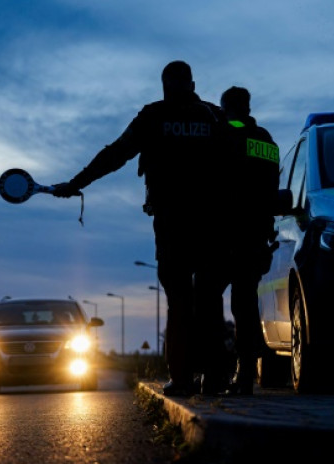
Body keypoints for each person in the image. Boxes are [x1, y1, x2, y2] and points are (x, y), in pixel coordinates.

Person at [51, 60, 233, 396]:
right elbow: (236, 166)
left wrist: (78, 182)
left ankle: (181, 379)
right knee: (209, 299)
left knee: (179, 300)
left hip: (172, 222)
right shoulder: (213, 117)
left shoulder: (153, 116)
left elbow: (115, 154)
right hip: (212, 223)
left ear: (164, 86)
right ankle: (215, 377)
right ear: (192, 85)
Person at [218, 86, 280, 396]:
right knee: (244, 306)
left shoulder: (220, 137)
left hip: (221, 234)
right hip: (254, 235)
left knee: (207, 300)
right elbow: (272, 187)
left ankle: (213, 373)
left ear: (226, 107)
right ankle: (244, 376)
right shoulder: (266, 141)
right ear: (248, 106)